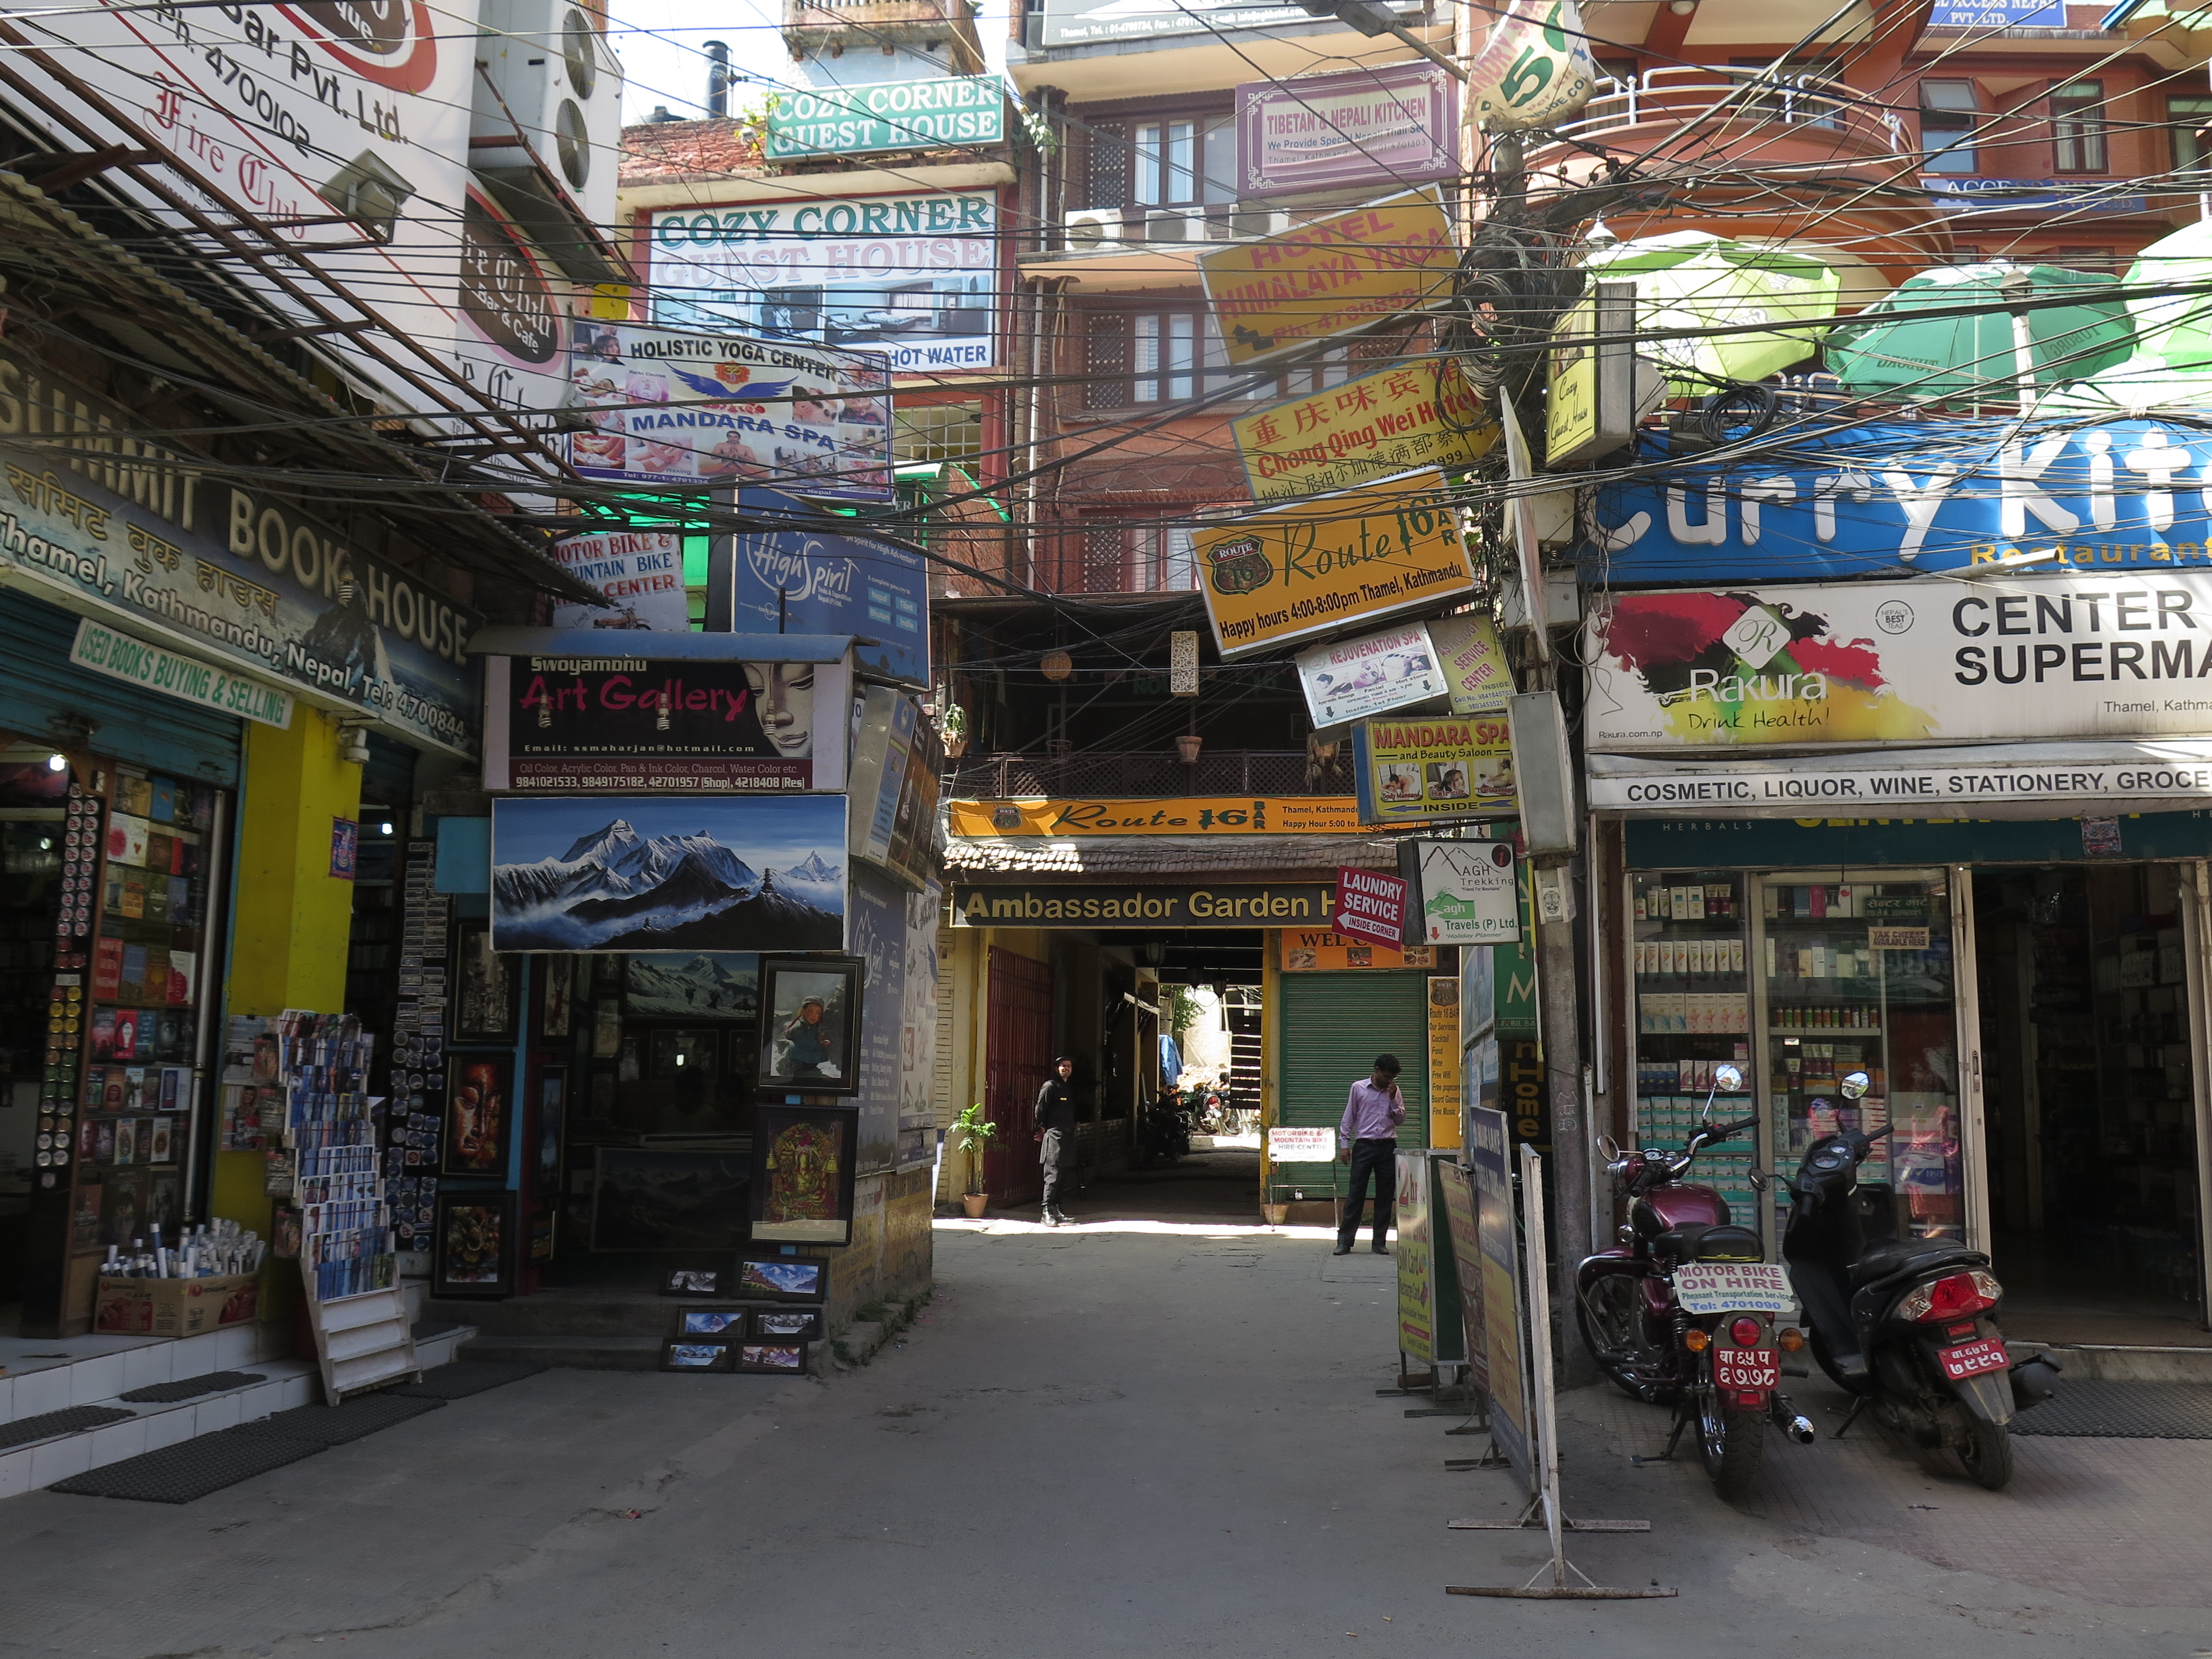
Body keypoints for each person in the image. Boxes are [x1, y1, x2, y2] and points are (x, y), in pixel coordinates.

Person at [1334, 1054, 1406, 1256]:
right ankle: (1345, 1242)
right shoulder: (1358, 1088)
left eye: (1393, 1078)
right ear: (1377, 1071)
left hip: (1387, 1146)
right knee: (1356, 1194)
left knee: (1385, 1195)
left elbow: (1400, 1120)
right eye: (1387, 1077)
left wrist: (1393, 1099)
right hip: (1364, 1146)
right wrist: (1344, 1145)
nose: (1389, 1081)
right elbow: (1349, 1116)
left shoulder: (1394, 1091)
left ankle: (1379, 1242)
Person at [1034, 1056, 1077, 1227]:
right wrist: (1042, 1127)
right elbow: (1040, 1108)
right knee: (1053, 1174)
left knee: (1063, 1174)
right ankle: (1046, 1212)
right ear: (1056, 1068)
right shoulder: (1050, 1086)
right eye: (1062, 1066)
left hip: (1067, 1136)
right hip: (1054, 1135)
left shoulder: (1067, 1088)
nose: (1066, 1068)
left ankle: (1057, 1209)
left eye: (1069, 1066)